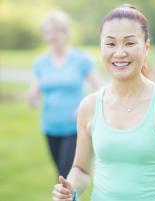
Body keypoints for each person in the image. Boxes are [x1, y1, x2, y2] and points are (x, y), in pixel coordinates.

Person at [51, 5, 155, 201]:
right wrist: (69, 191)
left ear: (146, 47)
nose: (120, 53)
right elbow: (81, 169)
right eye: (111, 44)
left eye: (130, 43)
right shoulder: (89, 106)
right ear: (101, 48)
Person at [26, 10, 100, 178]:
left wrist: (85, 109)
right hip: (50, 127)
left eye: (56, 31)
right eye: (48, 33)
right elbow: (34, 95)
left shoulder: (81, 59)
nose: (52, 36)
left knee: (66, 176)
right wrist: (32, 98)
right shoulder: (40, 63)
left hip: (74, 128)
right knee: (61, 174)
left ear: (66, 33)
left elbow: (100, 89)